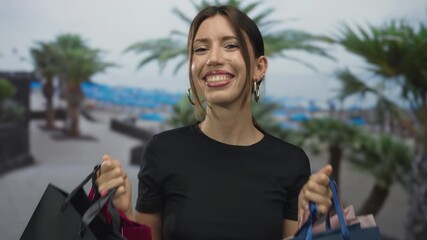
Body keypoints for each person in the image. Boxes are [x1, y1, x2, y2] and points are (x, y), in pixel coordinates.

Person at [97, 5, 333, 240]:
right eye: (201, 49)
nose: (213, 59)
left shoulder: (290, 162)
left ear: (259, 68)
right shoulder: (162, 150)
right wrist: (122, 212)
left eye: (231, 45)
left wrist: (306, 221)